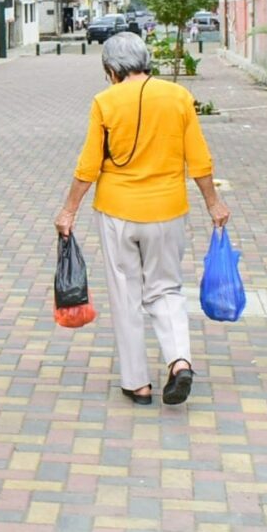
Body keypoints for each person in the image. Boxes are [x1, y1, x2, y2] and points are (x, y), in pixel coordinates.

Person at [53, 33, 229, 406]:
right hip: (167, 211)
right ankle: (179, 361)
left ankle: (138, 384)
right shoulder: (178, 97)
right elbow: (199, 158)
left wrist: (68, 210)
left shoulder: (105, 101)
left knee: (126, 293)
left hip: (118, 211)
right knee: (165, 288)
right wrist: (213, 204)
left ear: (112, 69)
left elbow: (89, 165)